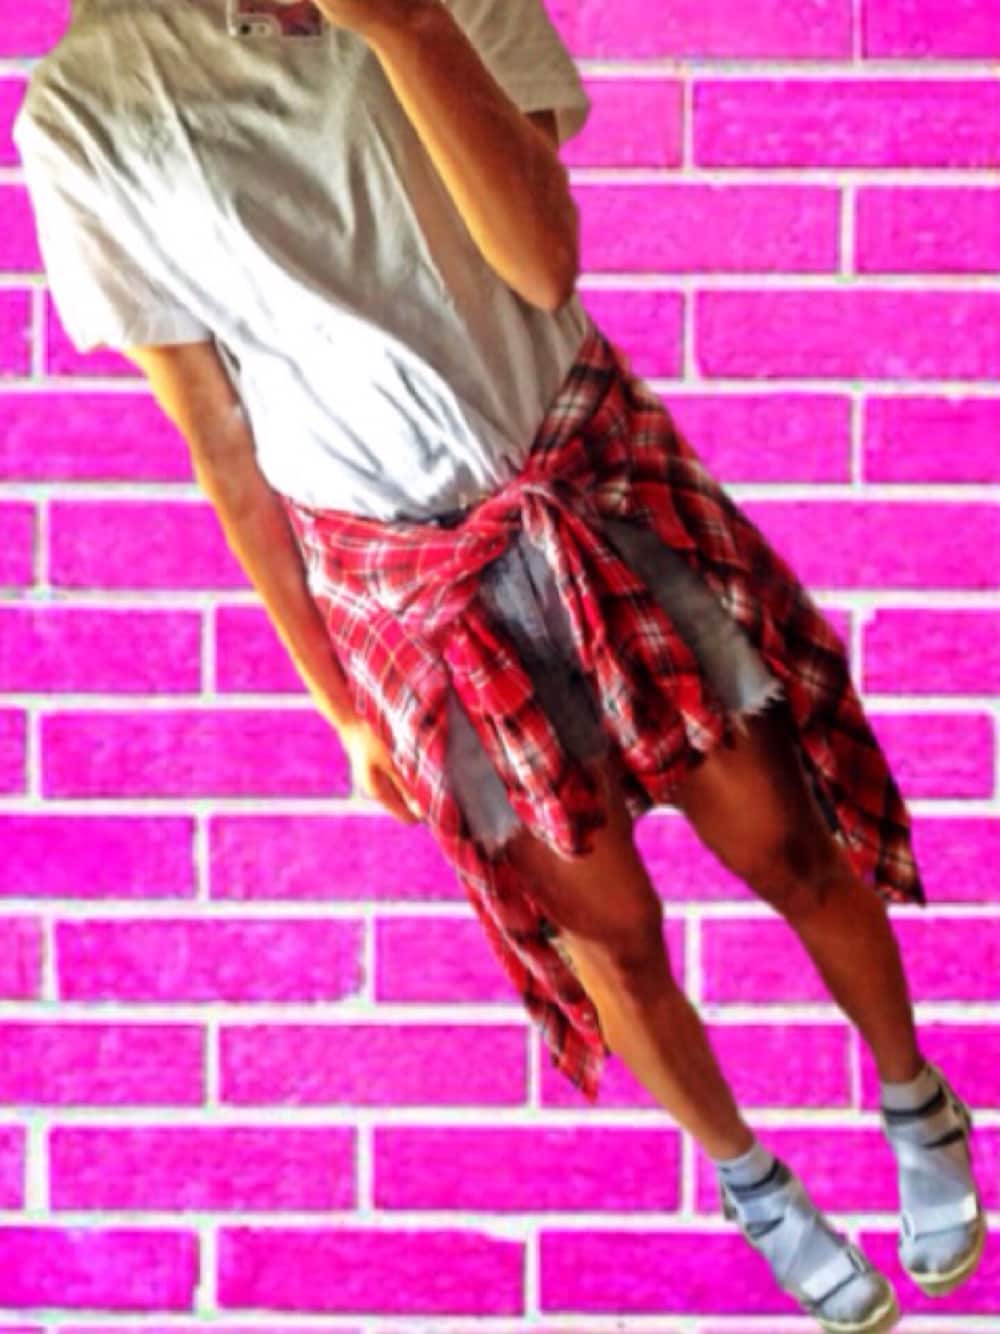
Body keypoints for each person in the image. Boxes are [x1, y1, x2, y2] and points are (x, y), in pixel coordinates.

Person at [14, 0, 985, 1328]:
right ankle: (752, 1181)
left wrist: (403, 24)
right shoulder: (87, 110)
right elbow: (218, 440)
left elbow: (541, 263)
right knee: (610, 938)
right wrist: (340, 707)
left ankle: (914, 1093)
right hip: (406, 579)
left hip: (588, 479)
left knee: (785, 842)